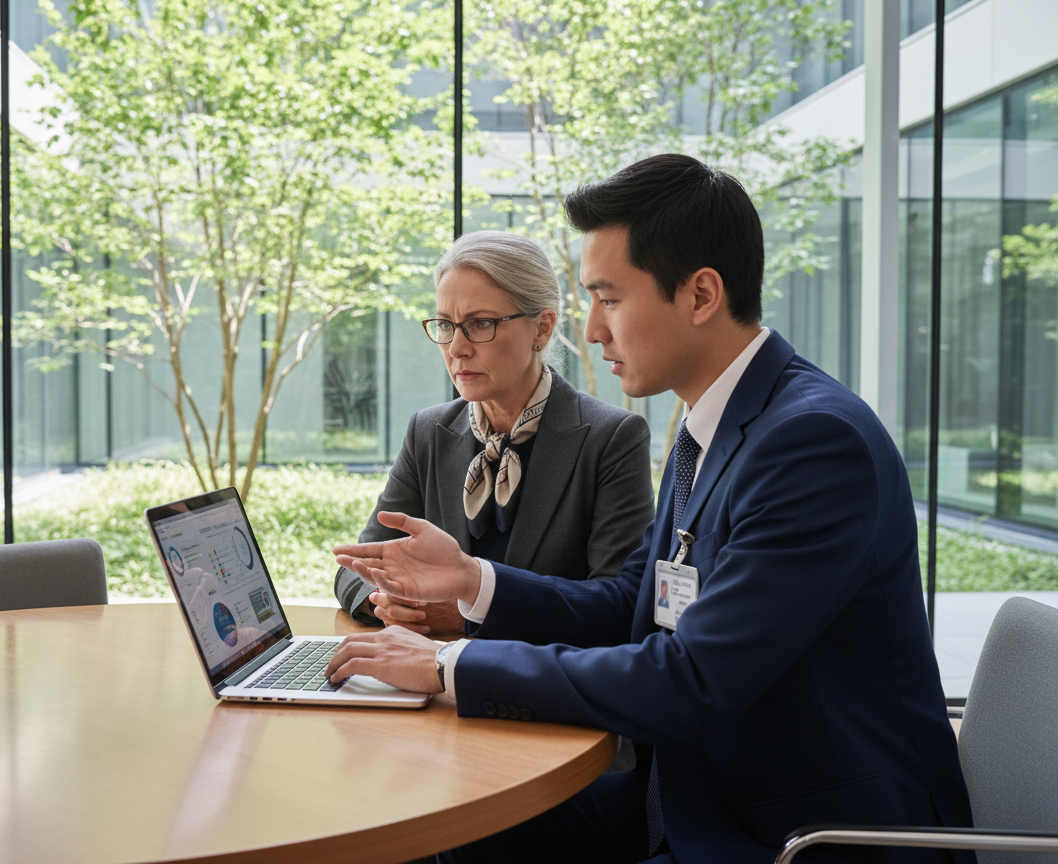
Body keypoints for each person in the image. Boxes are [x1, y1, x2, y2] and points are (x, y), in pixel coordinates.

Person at [327, 155, 974, 864]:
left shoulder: (815, 444)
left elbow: (692, 679)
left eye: (608, 299)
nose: (592, 331)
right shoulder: (712, 428)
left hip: (800, 836)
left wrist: (450, 664)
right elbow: (630, 603)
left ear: (700, 295)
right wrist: (471, 581)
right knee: (444, 832)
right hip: (696, 797)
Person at [333, 230, 655, 641]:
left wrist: (473, 612)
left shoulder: (611, 438)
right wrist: (393, 602)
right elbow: (356, 567)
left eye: (480, 323)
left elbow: (618, 606)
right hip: (428, 680)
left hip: (537, 695)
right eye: (446, 325)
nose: (457, 348)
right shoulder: (429, 433)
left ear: (542, 328)